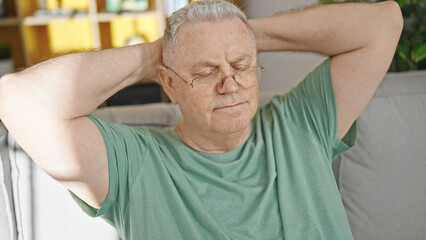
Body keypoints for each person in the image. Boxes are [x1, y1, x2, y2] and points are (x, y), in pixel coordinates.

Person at [0, 0, 402, 239]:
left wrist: (240, 34)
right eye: (206, 71)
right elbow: (16, 99)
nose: (230, 84)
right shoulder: (134, 164)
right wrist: (157, 53)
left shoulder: (302, 123)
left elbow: (384, 22)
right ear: (169, 85)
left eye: (242, 64)